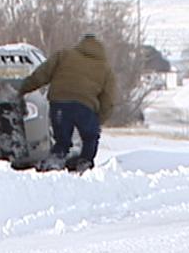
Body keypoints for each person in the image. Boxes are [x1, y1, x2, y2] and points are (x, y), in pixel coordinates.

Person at [18, 34, 116, 172]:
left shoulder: (64, 55)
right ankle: (85, 162)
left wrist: (22, 89)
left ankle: (56, 160)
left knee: (62, 139)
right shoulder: (106, 69)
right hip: (86, 107)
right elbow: (108, 100)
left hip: (60, 103)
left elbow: (41, 75)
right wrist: (98, 120)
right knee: (90, 136)